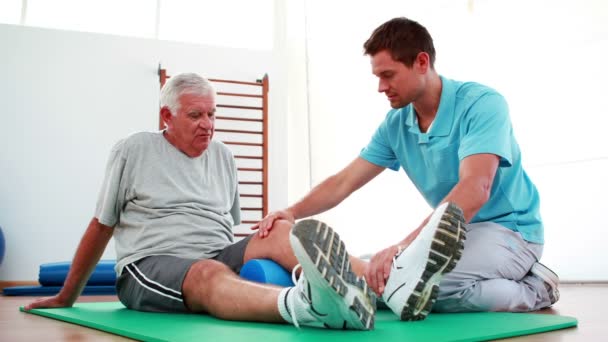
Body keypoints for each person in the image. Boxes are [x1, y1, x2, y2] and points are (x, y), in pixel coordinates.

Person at [253, 17, 559, 318]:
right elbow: (344, 181)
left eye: (388, 75)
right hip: (459, 236)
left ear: (422, 62)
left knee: (405, 285)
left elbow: (475, 188)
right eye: (377, 76)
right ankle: (387, 277)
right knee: (383, 278)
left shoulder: (481, 104)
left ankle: (535, 289)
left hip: (511, 233)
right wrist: (291, 212)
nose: (380, 87)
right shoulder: (396, 124)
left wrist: (402, 247)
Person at [24, 73, 381, 330]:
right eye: (195, 115)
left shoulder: (223, 156)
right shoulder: (134, 149)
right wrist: (66, 296)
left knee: (282, 230)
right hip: (149, 265)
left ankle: (381, 284)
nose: (207, 124)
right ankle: (308, 308)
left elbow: (228, 228)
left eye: (212, 114)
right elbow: (101, 226)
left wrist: (266, 244)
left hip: (214, 255)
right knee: (210, 272)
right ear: (167, 116)